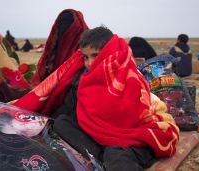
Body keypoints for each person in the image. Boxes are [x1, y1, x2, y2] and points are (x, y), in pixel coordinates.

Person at [50, 26, 179, 170]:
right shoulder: (84, 80)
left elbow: (133, 120)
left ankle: (105, 157)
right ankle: (101, 157)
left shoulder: (130, 79)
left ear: (111, 53)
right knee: (61, 122)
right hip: (99, 136)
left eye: (96, 55)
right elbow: (74, 111)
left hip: (131, 138)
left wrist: (113, 140)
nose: (90, 63)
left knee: (116, 155)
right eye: (86, 57)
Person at [31, 9, 88, 86]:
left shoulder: (88, 45)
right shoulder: (55, 43)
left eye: (69, 24)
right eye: (61, 23)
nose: (64, 28)